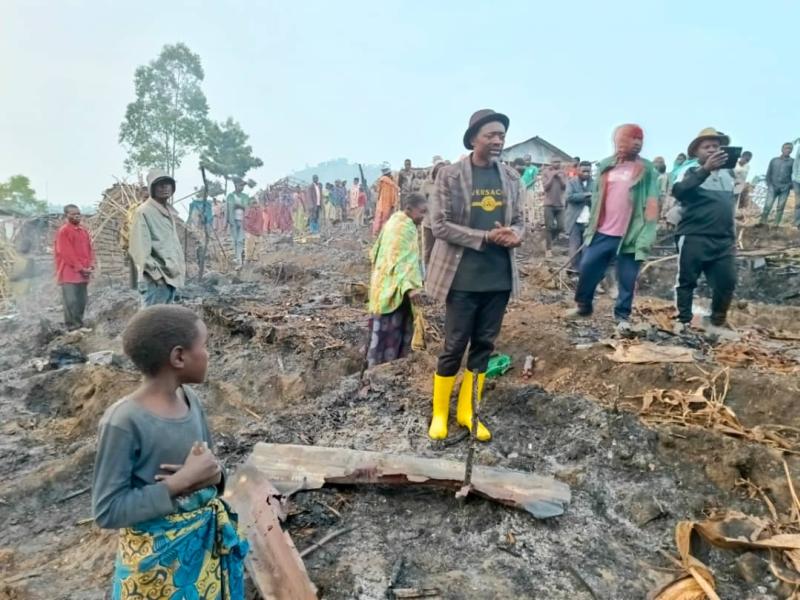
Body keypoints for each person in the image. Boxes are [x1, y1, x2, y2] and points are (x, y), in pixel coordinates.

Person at [92, 305, 248, 598]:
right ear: (179, 356)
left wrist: (216, 476)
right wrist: (180, 482)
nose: (209, 354)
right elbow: (108, 510)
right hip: (156, 570)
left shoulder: (190, 400)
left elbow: (209, 467)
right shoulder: (123, 422)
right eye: (205, 346)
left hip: (203, 552)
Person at [426, 109, 524, 442]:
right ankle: (440, 412)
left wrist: (516, 234)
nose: (498, 141)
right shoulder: (450, 176)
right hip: (462, 275)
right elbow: (439, 225)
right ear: (473, 139)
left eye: (502, 136)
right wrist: (484, 237)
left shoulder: (510, 178)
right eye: (491, 135)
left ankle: (468, 411)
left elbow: (522, 220)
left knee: (484, 345)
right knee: (454, 345)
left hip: (498, 277)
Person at [566, 124, 659, 332]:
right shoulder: (606, 166)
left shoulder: (646, 169)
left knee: (627, 278)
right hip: (602, 231)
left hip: (631, 234)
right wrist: (592, 227)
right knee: (588, 267)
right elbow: (598, 198)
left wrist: (647, 234)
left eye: (640, 139)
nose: (637, 142)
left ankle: (622, 316)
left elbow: (652, 202)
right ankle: (584, 306)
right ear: (617, 141)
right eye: (631, 138)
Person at [671, 128, 737, 333]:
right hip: (694, 236)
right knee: (687, 281)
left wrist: (732, 235)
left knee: (727, 281)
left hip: (723, 240)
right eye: (706, 147)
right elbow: (679, 191)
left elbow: (729, 207)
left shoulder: (728, 175)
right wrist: (705, 170)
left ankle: (717, 322)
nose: (711, 150)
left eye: (715, 146)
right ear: (696, 152)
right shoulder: (690, 171)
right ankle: (682, 321)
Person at [367, 192, 427, 367]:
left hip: (386, 284)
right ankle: (385, 368)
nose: (423, 217)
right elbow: (400, 260)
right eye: (421, 212)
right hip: (394, 287)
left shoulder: (395, 221)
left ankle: (390, 367)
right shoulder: (403, 227)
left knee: (389, 331)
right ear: (409, 209)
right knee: (390, 332)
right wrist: (411, 287)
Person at [129, 169, 185, 306]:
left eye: (168, 184)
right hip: (157, 279)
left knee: (163, 323)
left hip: (170, 277)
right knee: (150, 324)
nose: (165, 187)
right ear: (152, 188)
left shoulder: (168, 211)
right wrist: (157, 276)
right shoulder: (143, 212)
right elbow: (140, 249)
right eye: (160, 185)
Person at [54, 204, 95, 330]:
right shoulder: (64, 231)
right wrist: (80, 268)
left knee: (81, 301)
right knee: (71, 301)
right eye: (73, 214)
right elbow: (66, 253)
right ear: (66, 216)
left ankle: (79, 324)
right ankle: (72, 327)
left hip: (83, 274)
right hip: (69, 273)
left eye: (78, 213)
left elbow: (90, 250)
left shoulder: (83, 231)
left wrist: (91, 266)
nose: (77, 216)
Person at [564, 162, 593, 271]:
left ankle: (584, 270)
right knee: (574, 247)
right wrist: (586, 195)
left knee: (587, 248)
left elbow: (598, 198)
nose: (586, 173)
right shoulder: (571, 183)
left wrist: (591, 196)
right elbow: (569, 197)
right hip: (574, 220)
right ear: (578, 171)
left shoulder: (594, 183)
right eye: (583, 171)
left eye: (588, 171)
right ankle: (574, 270)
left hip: (589, 221)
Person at [420, 158, 447, 269]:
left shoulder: (448, 184)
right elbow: (421, 201)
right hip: (429, 224)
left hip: (444, 225)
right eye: (438, 170)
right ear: (434, 171)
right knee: (428, 250)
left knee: (443, 251)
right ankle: (426, 275)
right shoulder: (427, 184)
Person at [761, 142, 795, 225]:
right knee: (767, 205)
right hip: (772, 186)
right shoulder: (774, 160)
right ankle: (762, 222)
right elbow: (768, 173)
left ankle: (776, 225)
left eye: (790, 149)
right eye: (786, 148)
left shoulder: (793, 162)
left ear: (791, 151)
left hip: (785, 187)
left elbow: (794, 174)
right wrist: (768, 183)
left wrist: (790, 185)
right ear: (782, 149)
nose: (788, 150)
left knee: (780, 207)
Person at [541, 159, 567, 258]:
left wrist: (559, 177)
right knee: (549, 227)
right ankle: (548, 249)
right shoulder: (546, 172)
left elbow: (565, 186)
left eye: (558, 162)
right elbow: (545, 187)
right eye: (554, 162)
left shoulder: (563, 173)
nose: (557, 163)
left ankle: (549, 240)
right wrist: (552, 175)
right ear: (551, 163)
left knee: (561, 226)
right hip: (549, 204)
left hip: (560, 204)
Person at [372, 163, 400, 236]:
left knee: (387, 217)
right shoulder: (383, 179)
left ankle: (384, 231)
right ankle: (379, 232)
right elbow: (378, 189)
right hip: (384, 201)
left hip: (390, 201)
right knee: (382, 217)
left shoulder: (391, 179)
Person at [794, 143, 800, 228]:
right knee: (798, 203)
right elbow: (795, 163)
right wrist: (794, 176)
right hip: (797, 179)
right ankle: (797, 223)